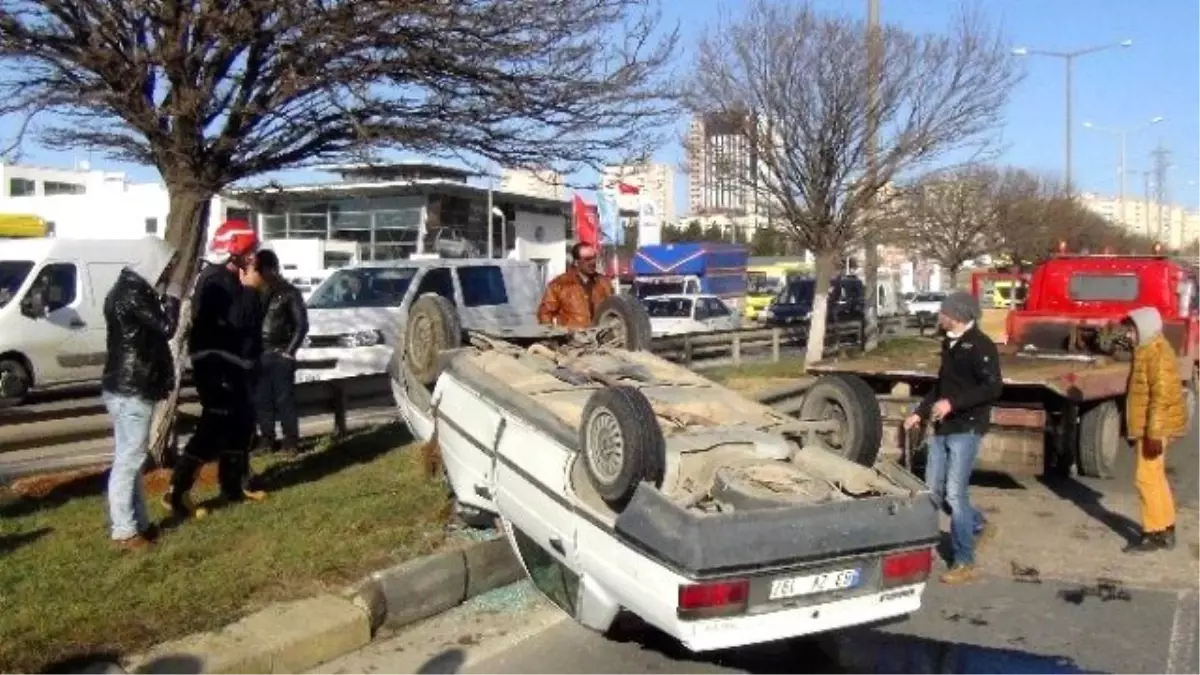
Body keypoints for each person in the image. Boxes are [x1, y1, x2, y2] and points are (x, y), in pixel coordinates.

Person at [162, 219, 266, 520]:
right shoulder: (216, 279)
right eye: (251, 251)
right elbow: (238, 321)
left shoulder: (231, 278)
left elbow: (251, 325)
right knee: (214, 424)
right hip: (217, 366)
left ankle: (233, 485)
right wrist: (249, 291)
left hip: (235, 364)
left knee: (242, 424)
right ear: (236, 252)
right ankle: (177, 490)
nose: (255, 256)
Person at [904, 290, 1002, 584]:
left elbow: (992, 388)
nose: (939, 316)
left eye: (943, 312)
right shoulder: (950, 344)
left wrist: (953, 404)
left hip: (966, 427)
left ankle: (964, 561)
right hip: (942, 428)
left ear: (957, 316)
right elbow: (941, 386)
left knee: (955, 495)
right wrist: (919, 412)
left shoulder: (981, 347)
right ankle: (974, 524)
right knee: (932, 492)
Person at [100, 237, 182, 550]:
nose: (167, 273)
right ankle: (124, 530)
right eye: (166, 267)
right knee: (129, 460)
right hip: (132, 387)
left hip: (123, 385)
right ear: (153, 263)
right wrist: (173, 298)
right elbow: (166, 327)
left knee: (130, 459)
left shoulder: (125, 290)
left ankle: (139, 524)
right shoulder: (134, 294)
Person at [1123, 306, 1186, 553]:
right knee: (1156, 477)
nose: (1128, 335)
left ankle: (1153, 533)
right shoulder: (1149, 349)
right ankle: (1166, 527)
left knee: (1145, 478)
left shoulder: (1155, 353)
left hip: (1154, 427)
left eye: (1131, 330)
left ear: (1144, 328)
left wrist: (1153, 433)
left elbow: (1161, 396)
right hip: (1153, 426)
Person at [252, 249, 309, 457]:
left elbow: (301, 325)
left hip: (280, 353)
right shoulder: (255, 292)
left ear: (270, 269)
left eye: (260, 269)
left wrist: (289, 351)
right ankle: (267, 439)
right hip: (260, 353)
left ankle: (291, 441)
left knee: (284, 400)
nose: (257, 273)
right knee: (262, 400)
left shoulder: (289, 292)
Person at [536, 242, 613, 329]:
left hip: (600, 338)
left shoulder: (604, 282)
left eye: (594, 258)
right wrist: (553, 337)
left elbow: (614, 310)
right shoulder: (560, 284)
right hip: (573, 339)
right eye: (587, 259)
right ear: (577, 262)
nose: (593, 262)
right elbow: (545, 314)